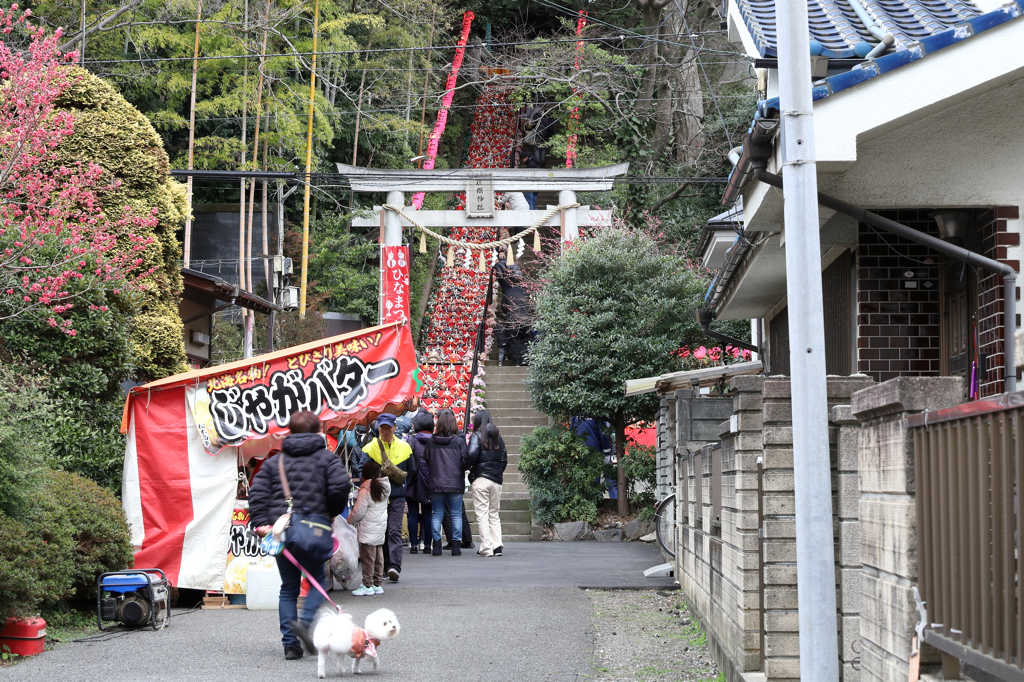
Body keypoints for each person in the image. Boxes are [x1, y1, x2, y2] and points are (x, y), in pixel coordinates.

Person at [249, 410, 351, 660]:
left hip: (282, 531)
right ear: (318, 431)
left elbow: (257, 493)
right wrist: (331, 512)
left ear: (289, 432)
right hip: (315, 530)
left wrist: (262, 523)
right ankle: (305, 624)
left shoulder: (275, 462)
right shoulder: (327, 459)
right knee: (317, 580)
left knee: (288, 587)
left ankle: (290, 644)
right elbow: (341, 487)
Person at [362, 413, 415, 583]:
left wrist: (402, 485)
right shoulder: (370, 448)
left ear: (394, 427)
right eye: (381, 428)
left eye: (387, 427)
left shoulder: (405, 447)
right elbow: (362, 471)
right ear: (378, 428)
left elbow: (412, 470)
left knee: (393, 531)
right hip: (378, 499)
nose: (384, 431)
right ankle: (385, 568)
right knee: (382, 533)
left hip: (397, 497)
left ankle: (394, 567)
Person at [423, 408, 469, 556]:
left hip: (435, 482)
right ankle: (456, 546)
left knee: (437, 514)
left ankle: (436, 546)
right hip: (455, 482)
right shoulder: (459, 442)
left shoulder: (431, 442)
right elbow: (465, 461)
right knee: (456, 514)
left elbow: (427, 460)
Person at [465, 409, 507, 557]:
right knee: (494, 513)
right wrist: (497, 472)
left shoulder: (476, 436)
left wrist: (466, 467)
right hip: (496, 479)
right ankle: (497, 546)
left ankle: (486, 547)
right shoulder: (498, 438)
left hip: (481, 478)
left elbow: (471, 454)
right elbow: (504, 459)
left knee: (482, 514)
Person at [347, 460, 391, 596]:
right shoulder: (385, 488)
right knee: (379, 557)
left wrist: (349, 520)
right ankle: (378, 583)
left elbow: (359, 511)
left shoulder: (365, 491)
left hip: (367, 529)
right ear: (379, 474)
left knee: (367, 558)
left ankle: (367, 585)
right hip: (379, 528)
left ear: (363, 476)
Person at [405, 411, 434, 555]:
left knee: (413, 513)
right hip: (430, 480)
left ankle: (414, 545)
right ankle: (428, 544)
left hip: (414, 480)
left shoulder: (411, 440)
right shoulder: (435, 440)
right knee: (428, 513)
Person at [494, 261, 532, 366]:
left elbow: (504, 307)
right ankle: (525, 358)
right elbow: (530, 306)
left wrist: (509, 313)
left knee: (514, 340)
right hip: (524, 318)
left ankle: (517, 361)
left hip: (512, 318)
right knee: (524, 339)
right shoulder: (526, 292)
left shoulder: (508, 292)